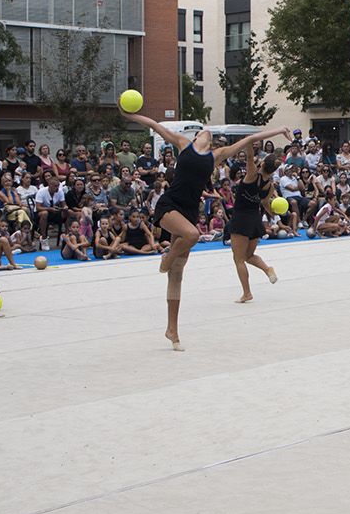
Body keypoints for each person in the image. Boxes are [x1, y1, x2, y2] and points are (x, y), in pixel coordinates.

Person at [118, 107, 287, 347]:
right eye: (201, 130)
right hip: (170, 205)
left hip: (188, 211)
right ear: (196, 137)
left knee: (177, 275)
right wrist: (130, 116)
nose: (205, 131)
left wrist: (279, 130)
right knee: (192, 235)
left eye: (207, 131)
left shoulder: (216, 156)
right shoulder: (182, 144)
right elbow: (155, 125)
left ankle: (172, 330)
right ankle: (166, 257)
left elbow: (250, 139)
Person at [228, 141, 287, 304]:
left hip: (241, 218)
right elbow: (266, 205)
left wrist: (248, 141)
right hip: (255, 219)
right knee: (249, 255)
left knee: (239, 259)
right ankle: (268, 269)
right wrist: (275, 214)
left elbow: (249, 156)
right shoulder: (269, 186)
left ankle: (247, 293)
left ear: (261, 163)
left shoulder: (252, 174)